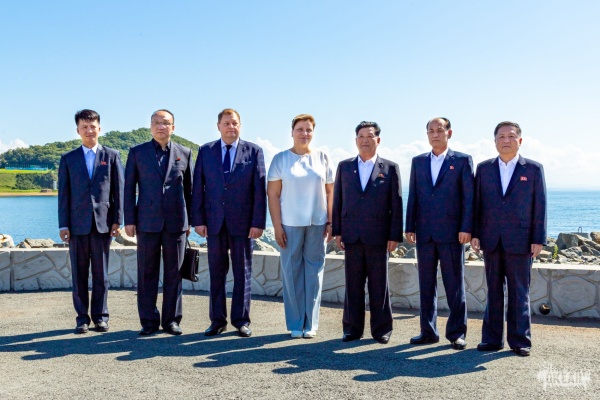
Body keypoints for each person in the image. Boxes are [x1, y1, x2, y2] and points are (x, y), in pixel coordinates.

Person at [471, 121, 547, 357]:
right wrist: (475, 233)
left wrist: (538, 239)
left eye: (511, 136)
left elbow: (540, 206)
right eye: (501, 136)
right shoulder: (484, 169)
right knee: (493, 291)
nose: (506, 140)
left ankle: (520, 340)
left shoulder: (533, 169)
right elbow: (477, 204)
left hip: (521, 240)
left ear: (520, 141)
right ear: (494, 141)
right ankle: (491, 339)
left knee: (519, 292)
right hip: (491, 239)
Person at [191, 108, 266, 338]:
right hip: (214, 222)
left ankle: (241, 321)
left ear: (240, 125)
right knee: (216, 273)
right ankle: (217, 321)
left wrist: (258, 222)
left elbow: (259, 190)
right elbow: (198, 188)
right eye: (226, 123)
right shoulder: (206, 151)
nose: (231, 127)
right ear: (218, 126)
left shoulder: (254, 151)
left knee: (243, 273)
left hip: (243, 224)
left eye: (234, 123)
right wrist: (198, 220)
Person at [405, 117, 473, 350]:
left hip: (452, 234)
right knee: (426, 285)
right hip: (424, 233)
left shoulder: (462, 161)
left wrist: (466, 227)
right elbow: (413, 194)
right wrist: (409, 226)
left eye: (440, 130)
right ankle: (428, 331)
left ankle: (457, 333)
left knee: (455, 285)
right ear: (427, 135)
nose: (435, 134)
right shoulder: (418, 161)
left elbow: (468, 198)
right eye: (431, 131)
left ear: (449, 133)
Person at [332, 121, 403, 344]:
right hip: (351, 235)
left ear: (378, 140)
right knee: (352, 285)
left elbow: (396, 204)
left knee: (379, 285)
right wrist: (337, 231)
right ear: (356, 140)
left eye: (370, 136)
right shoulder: (345, 166)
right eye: (361, 136)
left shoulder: (389, 168)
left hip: (379, 236)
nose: (365, 140)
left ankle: (381, 330)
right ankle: (352, 329)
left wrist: (394, 235)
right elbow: (338, 200)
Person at [124, 109, 193, 336]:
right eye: (156, 122)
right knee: (147, 274)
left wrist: (191, 221)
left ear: (173, 127)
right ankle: (148, 321)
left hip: (177, 223)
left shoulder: (185, 152)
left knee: (175, 274)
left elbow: (190, 191)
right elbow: (129, 189)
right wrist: (129, 220)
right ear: (150, 126)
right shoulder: (137, 152)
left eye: (165, 123)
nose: (160, 126)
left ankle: (171, 320)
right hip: (146, 222)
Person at [267, 114, 334, 339]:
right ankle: (296, 323)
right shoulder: (280, 159)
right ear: (292, 132)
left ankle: (311, 323)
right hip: (289, 224)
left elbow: (330, 192)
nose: (304, 133)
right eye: (300, 129)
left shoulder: (323, 157)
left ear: (313, 132)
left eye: (308, 129)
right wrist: (277, 226)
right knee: (291, 273)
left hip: (317, 223)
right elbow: (273, 195)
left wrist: (331, 221)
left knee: (314, 273)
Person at [58, 109, 124, 334]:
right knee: (79, 274)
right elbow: (64, 195)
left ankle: (101, 317)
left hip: (103, 224)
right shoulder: (68, 158)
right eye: (84, 127)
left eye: (92, 126)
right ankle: (82, 318)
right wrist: (63, 224)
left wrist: (117, 220)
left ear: (99, 128)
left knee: (101, 274)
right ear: (78, 130)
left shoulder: (111, 156)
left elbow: (118, 191)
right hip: (76, 225)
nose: (89, 130)